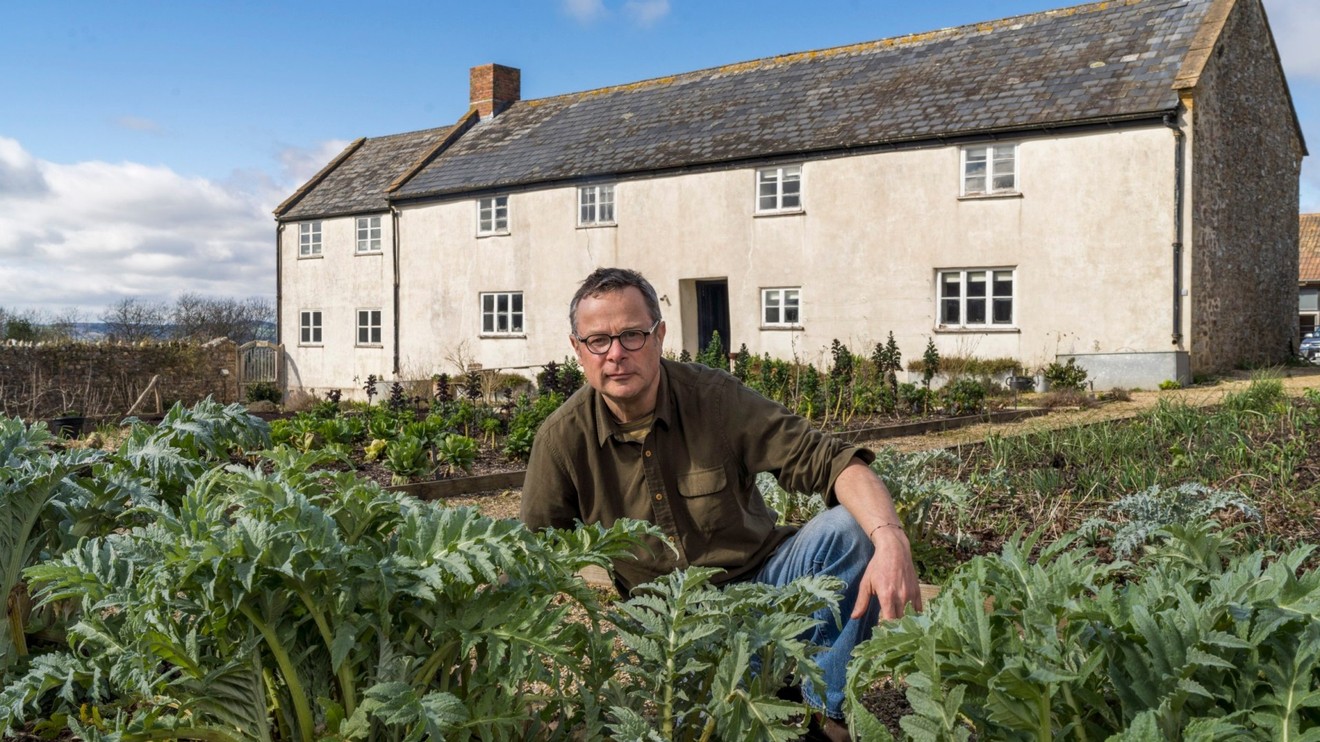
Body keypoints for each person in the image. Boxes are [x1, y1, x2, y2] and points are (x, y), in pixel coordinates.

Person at [521, 267, 922, 741]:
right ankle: (771, 683)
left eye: (632, 335)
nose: (616, 354)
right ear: (577, 349)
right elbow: (534, 554)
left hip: (765, 589)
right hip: (673, 633)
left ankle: (826, 718)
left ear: (660, 336)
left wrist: (890, 537)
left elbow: (832, 462)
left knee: (851, 530)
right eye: (598, 341)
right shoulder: (562, 441)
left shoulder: (714, 399)